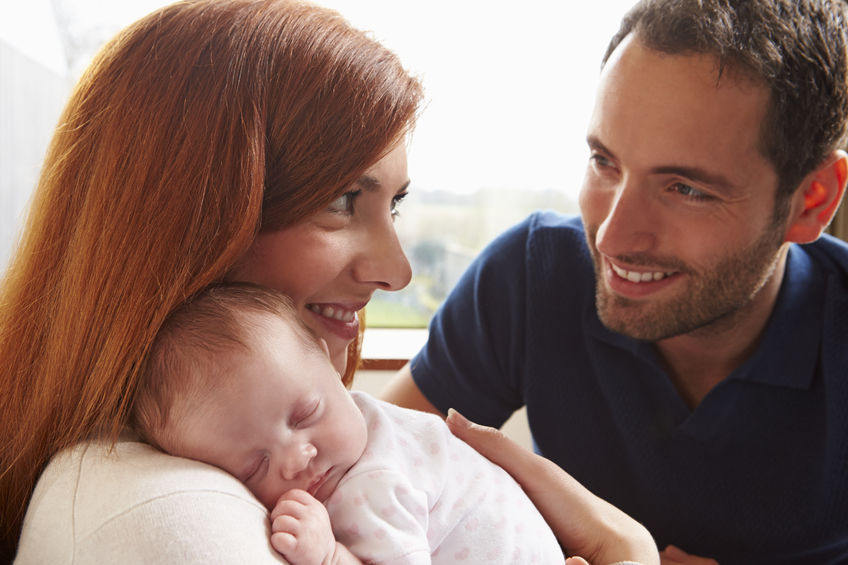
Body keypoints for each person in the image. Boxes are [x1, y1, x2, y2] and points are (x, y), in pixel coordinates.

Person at [0, 0, 659, 563]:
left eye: (393, 203)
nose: (397, 272)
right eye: (343, 200)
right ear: (185, 219)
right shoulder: (177, 521)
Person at [382, 1, 848, 564]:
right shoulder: (532, 277)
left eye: (686, 189)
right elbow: (364, 467)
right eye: (604, 162)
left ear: (811, 200)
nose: (610, 237)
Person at [131, 282, 573, 564]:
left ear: (330, 366)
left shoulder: (370, 485)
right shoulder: (374, 426)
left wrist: (330, 557)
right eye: (254, 467)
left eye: (305, 415)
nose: (297, 458)